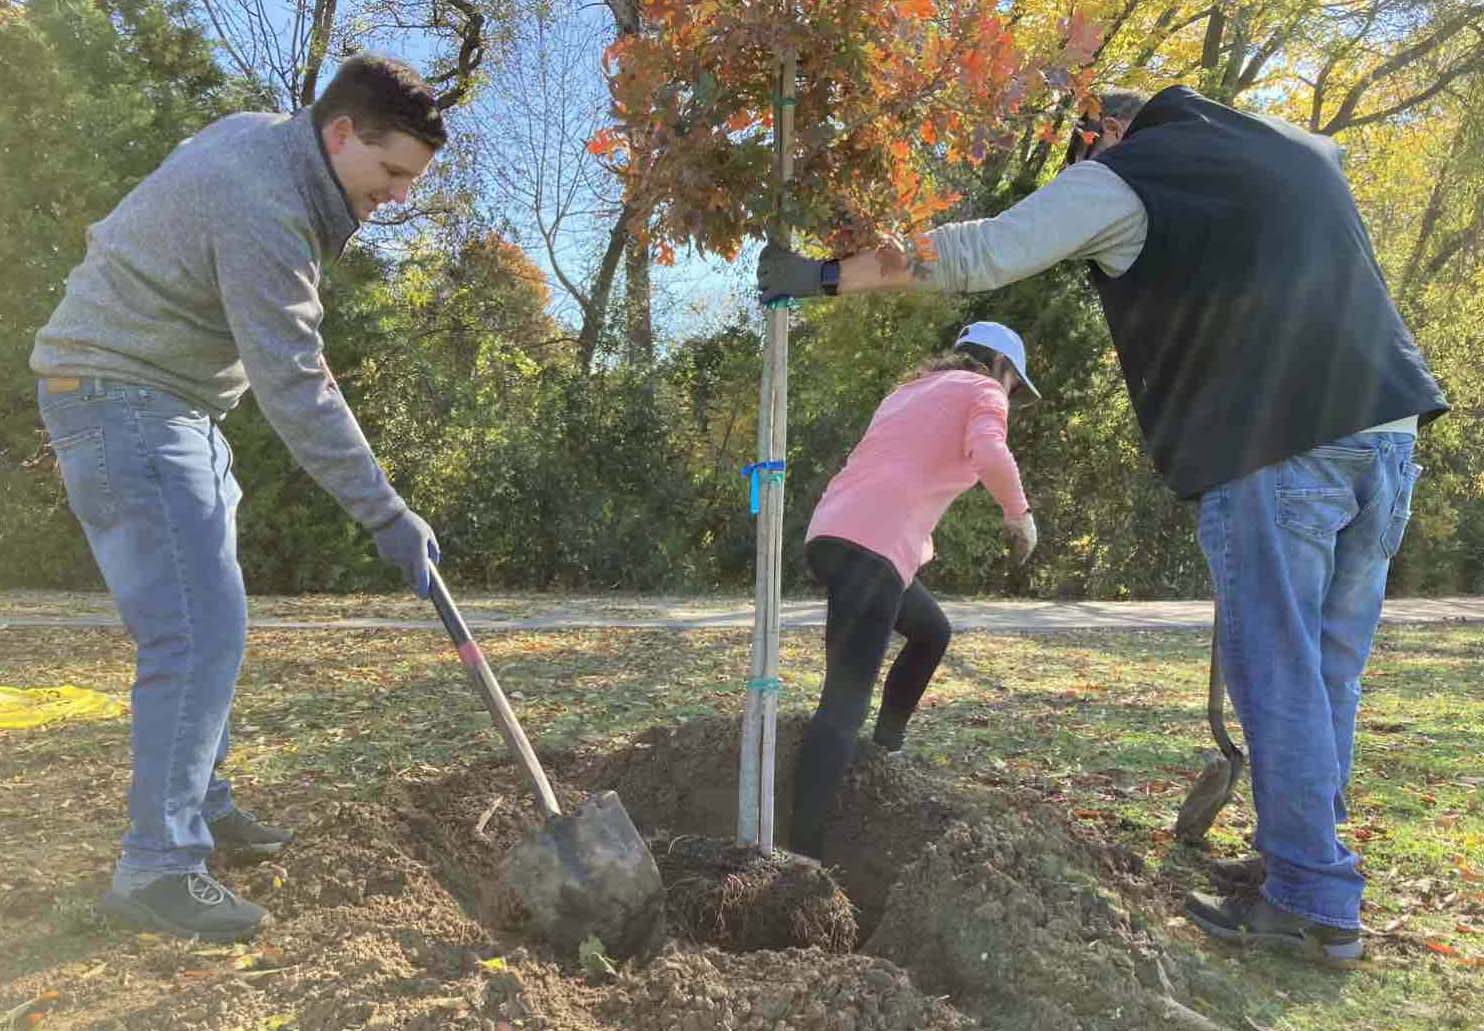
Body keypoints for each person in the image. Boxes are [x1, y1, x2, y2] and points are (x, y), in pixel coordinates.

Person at [758, 85, 1448, 963]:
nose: (1082, 167)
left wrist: (824, 276)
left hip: (1282, 443)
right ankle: (1303, 861)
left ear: (1107, 131)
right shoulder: (1292, 149)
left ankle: (1309, 891)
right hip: (1388, 434)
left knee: (1279, 669)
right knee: (1326, 673)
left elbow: (981, 250)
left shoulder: (1131, 170)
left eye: (1083, 150)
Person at [31, 54, 447, 942]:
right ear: (342, 133)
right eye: (391, 171)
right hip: (125, 397)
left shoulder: (265, 145)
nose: (398, 194)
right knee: (196, 628)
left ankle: (203, 806)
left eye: (411, 178)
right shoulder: (265, 202)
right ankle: (157, 867)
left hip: (168, 399)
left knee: (211, 616)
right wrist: (384, 510)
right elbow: (294, 381)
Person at [790, 321, 1039, 860]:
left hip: (835, 534)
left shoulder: (908, 392)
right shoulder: (984, 390)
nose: (1012, 392)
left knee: (931, 632)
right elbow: (989, 452)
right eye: (1014, 381)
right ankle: (800, 855)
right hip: (873, 548)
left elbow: (899, 469)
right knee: (843, 703)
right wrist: (1019, 515)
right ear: (999, 365)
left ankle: (885, 748)